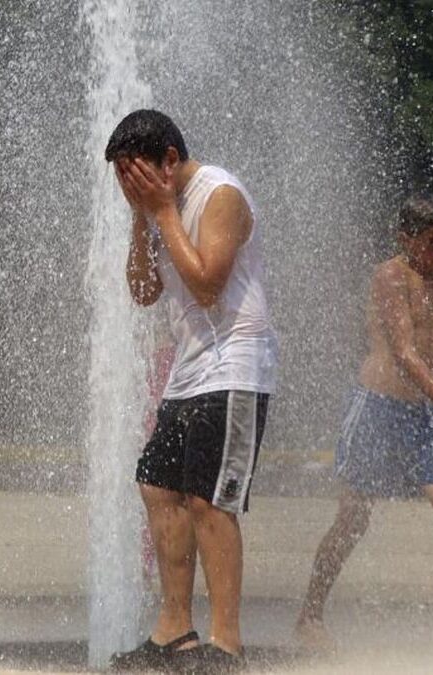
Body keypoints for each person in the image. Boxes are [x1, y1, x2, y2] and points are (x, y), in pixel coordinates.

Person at [104, 109, 278, 673]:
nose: (129, 189)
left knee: (210, 500)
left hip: (237, 366)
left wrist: (160, 213)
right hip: (191, 370)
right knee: (156, 485)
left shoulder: (219, 194)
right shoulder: (161, 209)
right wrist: (142, 220)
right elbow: (143, 291)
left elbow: (206, 285)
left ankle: (226, 644)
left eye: (136, 177)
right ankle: (174, 631)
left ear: (170, 161)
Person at [295, 196, 433, 658]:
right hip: (378, 408)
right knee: (353, 519)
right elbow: (407, 355)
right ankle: (310, 614)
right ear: (406, 239)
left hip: (425, 412)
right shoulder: (390, 276)